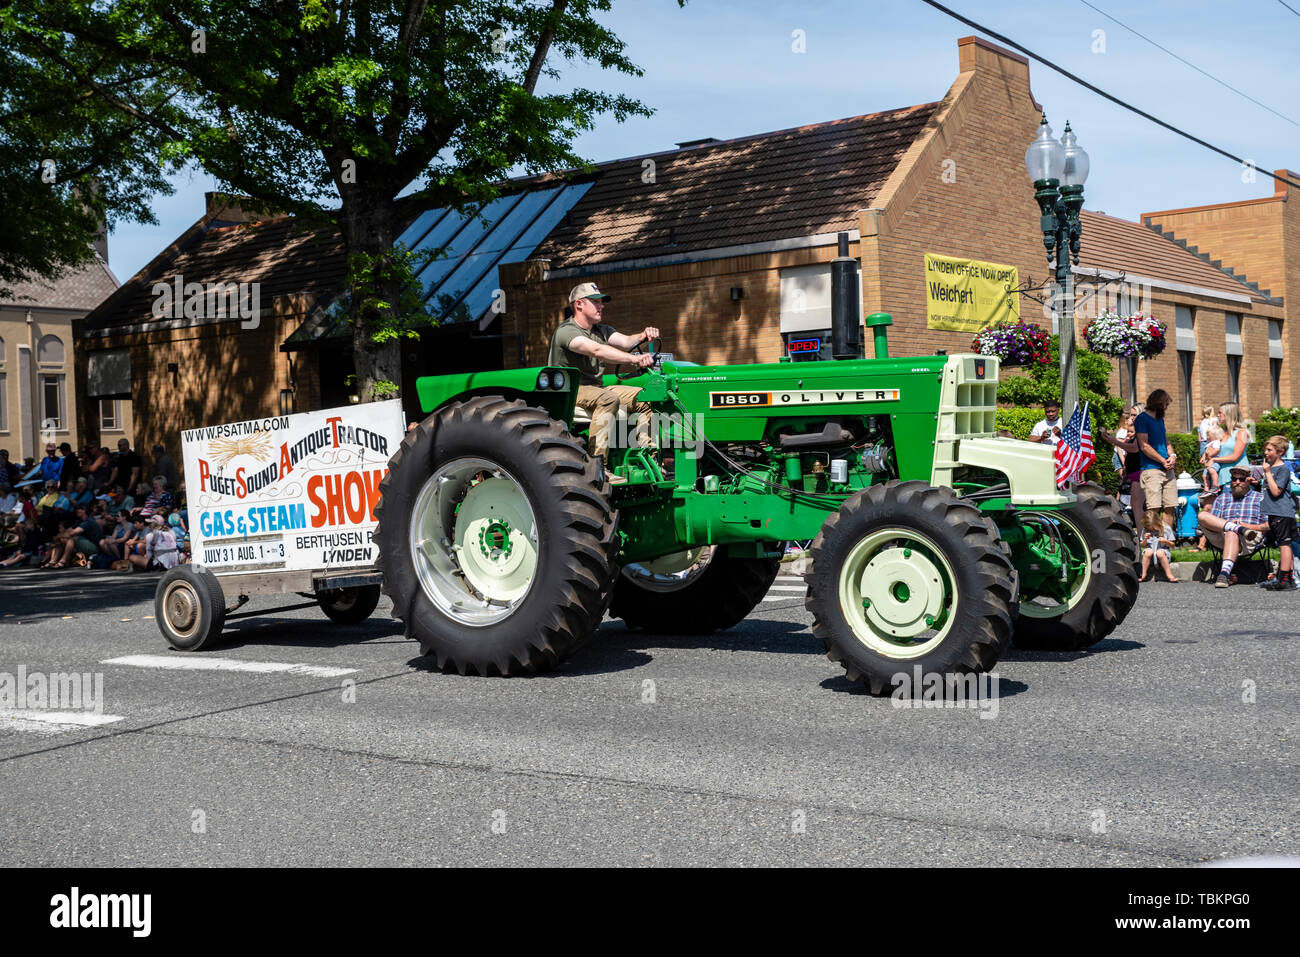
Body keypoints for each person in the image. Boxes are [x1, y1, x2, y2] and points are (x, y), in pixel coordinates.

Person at [547, 282, 659, 469]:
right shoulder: (566, 331)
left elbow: (625, 341)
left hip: (596, 389)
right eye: (596, 302)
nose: (602, 306)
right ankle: (598, 466)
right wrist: (635, 359)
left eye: (602, 302)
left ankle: (647, 458)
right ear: (579, 304)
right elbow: (596, 349)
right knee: (608, 398)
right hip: (572, 390)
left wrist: (642, 336)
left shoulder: (602, 330)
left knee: (646, 397)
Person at [1199, 466, 1268, 587]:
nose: (1237, 482)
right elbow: (1213, 522)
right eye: (1234, 479)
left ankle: (1224, 574)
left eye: (1241, 479)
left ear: (1249, 480)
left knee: (1232, 533)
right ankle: (1235, 528)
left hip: (1250, 538)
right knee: (1203, 515)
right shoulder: (1222, 498)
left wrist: (1245, 525)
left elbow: (1268, 526)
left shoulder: (1259, 498)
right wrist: (1233, 525)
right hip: (1222, 537)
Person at [1134, 389, 1177, 534]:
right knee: (1154, 507)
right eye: (1165, 404)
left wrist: (1172, 456)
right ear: (1158, 402)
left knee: (1170, 506)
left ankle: (1166, 541)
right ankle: (1152, 541)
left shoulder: (1160, 420)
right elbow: (1144, 445)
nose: (1166, 407)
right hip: (1151, 469)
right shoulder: (1142, 419)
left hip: (1167, 469)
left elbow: (1165, 442)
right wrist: (1162, 460)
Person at [1258, 435, 1296, 591]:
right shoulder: (1272, 468)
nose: (1266, 453)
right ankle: (1290, 579)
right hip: (1274, 512)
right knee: (1285, 544)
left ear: (1280, 452)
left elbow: (1276, 491)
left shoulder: (1283, 469)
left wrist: (1267, 473)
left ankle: (1284, 579)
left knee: (1284, 545)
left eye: (1269, 450)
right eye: (1265, 449)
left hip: (1282, 512)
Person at [1209, 402, 1250, 487]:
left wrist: (1214, 460)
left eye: (1220, 413)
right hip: (1223, 477)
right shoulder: (1223, 433)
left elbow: (1235, 457)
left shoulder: (1241, 432)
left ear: (1229, 415)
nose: (1218, 415)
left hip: (1237, 479)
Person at [1200, 425, 1224, 491]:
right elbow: (1206, 451)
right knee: (1204, 476)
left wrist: (1210, 455)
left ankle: (1215, 485)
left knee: (1212, 470)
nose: (1207, 437)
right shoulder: (1209, 444)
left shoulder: (1216, 442)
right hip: (1209, 462)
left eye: (1208, 435)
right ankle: (1206, 488)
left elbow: (1217, 450)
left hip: (1215, 461)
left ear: (1215, 436)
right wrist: (1203, 457)